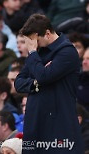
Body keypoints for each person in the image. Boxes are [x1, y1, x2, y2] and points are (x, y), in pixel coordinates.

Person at [14, 14, 84, 153]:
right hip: (35, 120)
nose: (33, 46)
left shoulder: (67, 52)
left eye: (36, 41)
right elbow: (18, 82)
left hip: (58, 124)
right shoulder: (38, 53)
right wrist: (35, 83)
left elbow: (44, 76)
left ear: (47, 33)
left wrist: (33, 53)